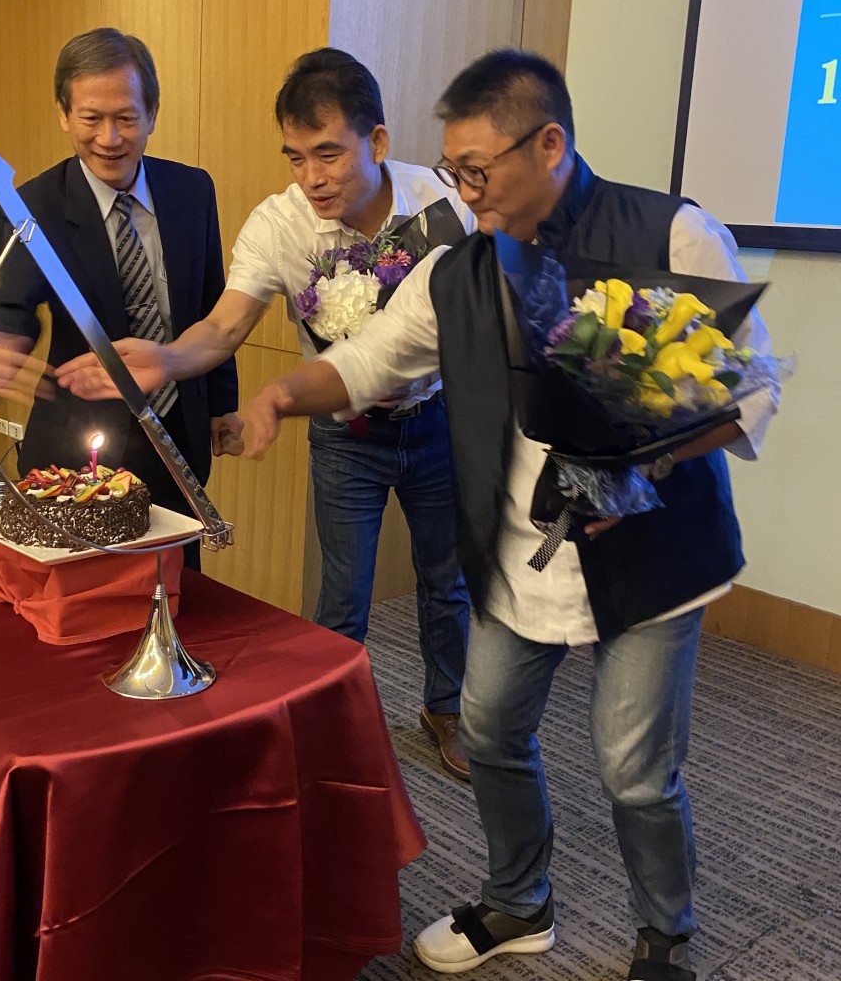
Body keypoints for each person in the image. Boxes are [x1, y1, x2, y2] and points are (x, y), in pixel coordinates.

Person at [239, 49, 778, 981]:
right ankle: (520, 903)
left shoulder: (671, 233)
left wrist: (644, 462)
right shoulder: (456, 272)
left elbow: (752, 391)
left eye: (478, 171)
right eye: (455, 171)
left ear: (550, 144)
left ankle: (665, 938)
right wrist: (282, 396)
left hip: (651, 552)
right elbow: (368, 360)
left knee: (633, 767)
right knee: (488, 730)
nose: (464, 192)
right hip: (520, 552)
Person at [56, 48, 476, 780]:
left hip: (439, 420)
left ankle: (448, 710)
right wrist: (169, 358)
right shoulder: (279, 224)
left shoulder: (445, 205)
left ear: (376, 141)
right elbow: (223, 327)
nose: (312, 178)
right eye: (295, 159)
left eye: (329, 155)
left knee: (447, 581)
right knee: (342, 592)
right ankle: (326, 720)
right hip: (346, 435)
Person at [0, 28, 239, 566]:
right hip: (79, 438)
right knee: (87, 593)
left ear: (153, 113)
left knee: (178, 578)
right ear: (63, 114)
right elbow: (11, 302)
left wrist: (222, 403)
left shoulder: (193, 191)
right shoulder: (37, 203)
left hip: (177, 429)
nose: (109, 138)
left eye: (126, 118)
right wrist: (1, 342)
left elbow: (212, 301)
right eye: (91, 118)